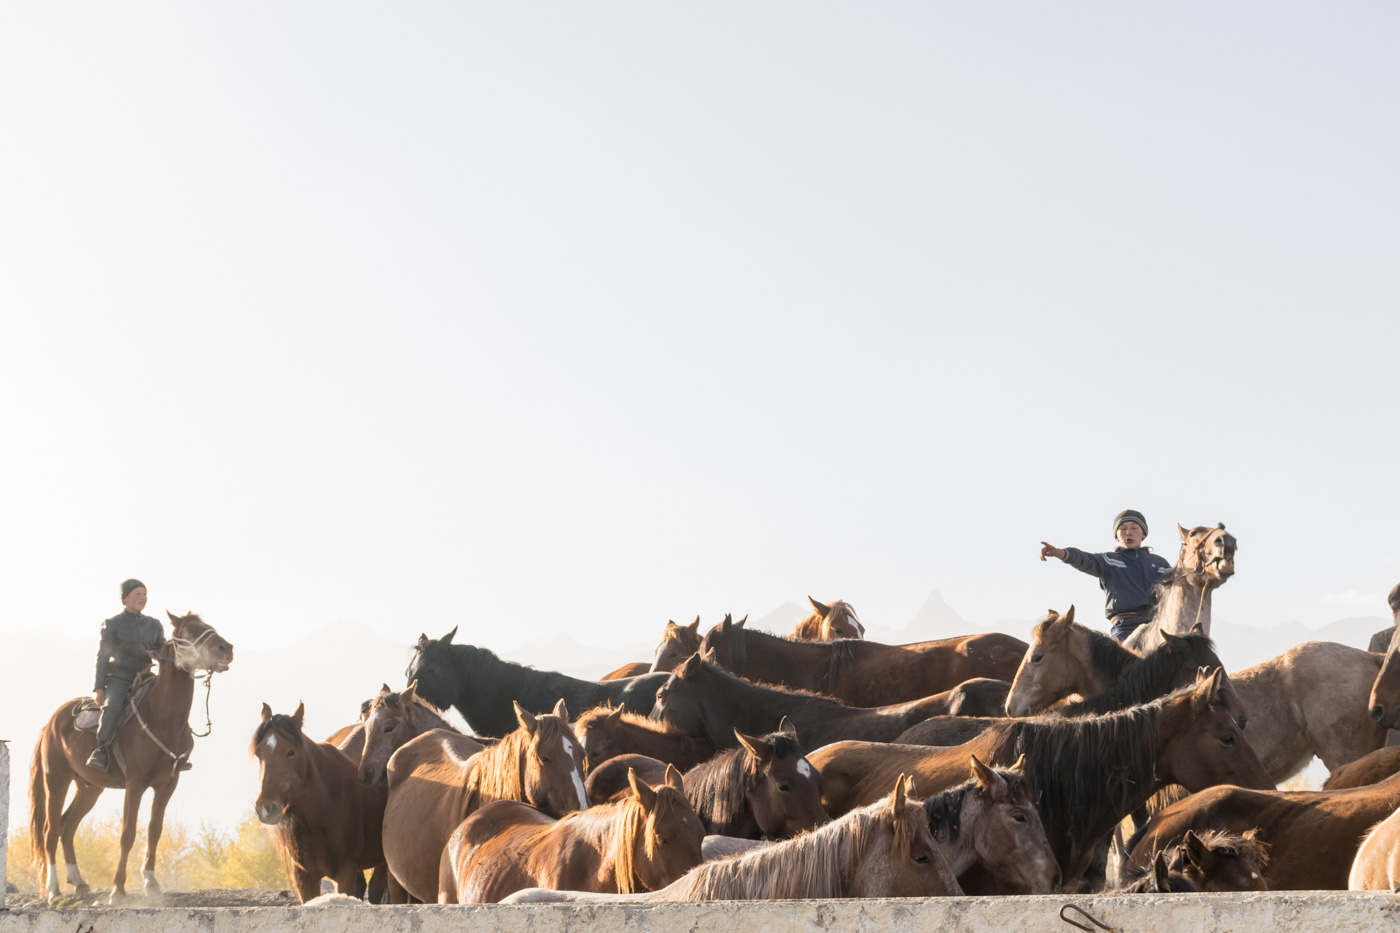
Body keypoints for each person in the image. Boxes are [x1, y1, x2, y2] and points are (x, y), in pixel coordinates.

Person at [1039, 510, 1172, 643]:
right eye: (1122, 528)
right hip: (1124, 627)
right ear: (1116, 536)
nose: (1128, 532)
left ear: (1143, 534)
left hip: (1157, 624)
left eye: (1134, 528)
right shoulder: (1108, 561)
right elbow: (1084, 559)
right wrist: (1060, 553)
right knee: (1118, 660)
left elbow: (1178, 587)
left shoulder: (1160, 563)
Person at [87, 578, 165, 771]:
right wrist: (99, 687)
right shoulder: (112, 624)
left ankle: (174, 752)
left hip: (146, 677)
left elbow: (162, 650)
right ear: (124, 598)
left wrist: (158, 654)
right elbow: (103, 656)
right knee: (112, 706)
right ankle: (101, 749)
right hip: (120, 678)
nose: (142, 597)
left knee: (168, 702)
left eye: (145, 594)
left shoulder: (155, 625)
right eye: (137, 593)